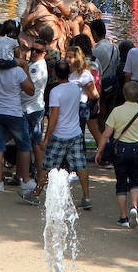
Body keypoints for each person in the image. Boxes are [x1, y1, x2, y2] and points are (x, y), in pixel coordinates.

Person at [22, 59, 92, 210]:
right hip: (76, 132)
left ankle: (35, 194)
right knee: (81, 165)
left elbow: (54, 117)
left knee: (47, 165)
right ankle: (86, 197)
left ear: (55, 73)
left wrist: (46, 138)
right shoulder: (75, 88)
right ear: (68, 73)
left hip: (60, 134)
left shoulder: (55, 92)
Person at [95, 81, 138, 227]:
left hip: (120, 150)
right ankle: (134, 206)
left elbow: (106, 134)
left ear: (124, 94)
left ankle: (123, 217)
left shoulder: (116, 111)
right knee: (135, 180)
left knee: (121, 183)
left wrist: (99, 151)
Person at [0, 48, 35, 195]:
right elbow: (31, 90)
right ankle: (25, 179)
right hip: (14, 112)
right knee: (24, 145)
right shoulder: (18, 71)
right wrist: (25, 67)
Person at [21, 37, 50, 191]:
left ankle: (40, 177)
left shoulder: (37, 68)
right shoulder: (33, 64)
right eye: (32, 49)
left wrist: (23, 66)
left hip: (33, 109)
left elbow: (27, 86)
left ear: (44, 53)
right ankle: (33, 175)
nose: (33, 53)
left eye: (37, 51)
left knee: (34, 144)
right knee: (32, 143)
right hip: (29, 108)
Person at [90, 19, 119, 123]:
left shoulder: (95, 52)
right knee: (110, 115)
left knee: (101, 116)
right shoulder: (115, 48)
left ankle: (102, 137)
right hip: (113, 85)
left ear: (94, 32)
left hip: (102, 87)